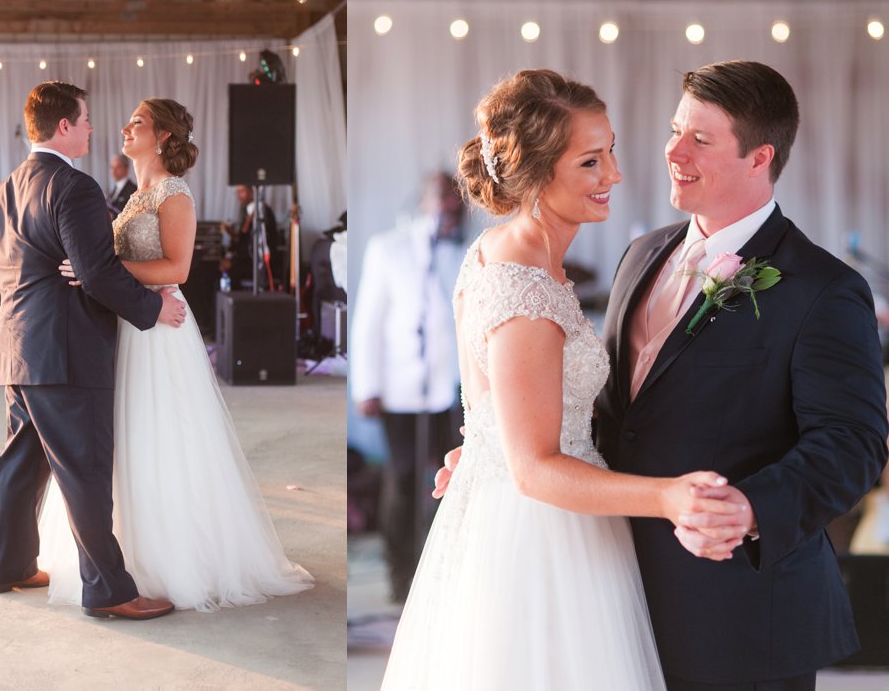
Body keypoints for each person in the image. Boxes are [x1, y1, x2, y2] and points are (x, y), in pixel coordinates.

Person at [437, 62, 889, 690]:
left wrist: (751, 507)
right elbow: (616, 413)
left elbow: (853, 443)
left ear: (759, 156)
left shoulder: (825, 289)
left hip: (740, 613)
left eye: (700, 139)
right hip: (611, 590)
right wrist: (501, 446)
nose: (673, 152)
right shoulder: (641, 255)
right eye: (675, 130)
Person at [382, 70, 741, 690]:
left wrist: (485, 446)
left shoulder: (506, 252)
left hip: (542, 517)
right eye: (590, 162)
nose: (615, 176)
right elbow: (533, 467)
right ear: (537, 171)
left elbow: (498, 416)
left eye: (611, 153)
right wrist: (667, 496)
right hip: (539, 537)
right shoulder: (523, 287)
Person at [37, 97, 313, 612]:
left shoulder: (173, 193)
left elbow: (178, 269)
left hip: (160, 326)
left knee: (157, 434)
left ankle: (170, 561)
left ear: (162, 136)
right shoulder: (134, 193)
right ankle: (120, 558)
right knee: (120, 437)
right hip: (126, 320)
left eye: (137, 121)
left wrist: (99, 273)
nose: (124, 127)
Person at [0, 81, 184, 621]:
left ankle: (9, 565)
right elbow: (95, 272)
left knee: (21, 463)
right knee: (85, 471)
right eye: (86, 119)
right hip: (67, 351)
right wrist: (151, 310)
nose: (94, 127)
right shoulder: (75, 186)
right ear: (64, 126)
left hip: (15, 349)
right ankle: (110, 591)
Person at [350, 172, 467, 603]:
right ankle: (401, 577)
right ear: (422, 202)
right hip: (400, 390)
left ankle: (443, 573)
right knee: (401, 480)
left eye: (457, 200)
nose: (450, 207)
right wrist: (367, 386)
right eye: (442, 198)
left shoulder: (470, 252)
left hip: (453, 389)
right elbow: (368, 323)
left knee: (452, 479)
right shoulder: (390, 248)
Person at [222, 184, 279, 290]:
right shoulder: (249, 211)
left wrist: (233, 262)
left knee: (225, 273)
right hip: (247, 259)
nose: (239, 195)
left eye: (242, 191)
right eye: (237, 192)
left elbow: (254, 247)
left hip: (257, 264)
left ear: (252, 191)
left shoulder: (262, 213)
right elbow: (244, 240)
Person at [105, 152, 136, 218]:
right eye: (112, 167)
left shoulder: (133, 190)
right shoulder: (112, 190)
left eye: (118, 167)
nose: (114, 171)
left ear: (126, 168)